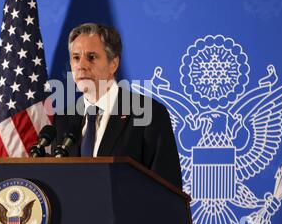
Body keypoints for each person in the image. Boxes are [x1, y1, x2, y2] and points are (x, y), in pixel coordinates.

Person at [52, 23, 183, 189]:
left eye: (91, 57)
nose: (81, 66)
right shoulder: (62, 119)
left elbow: (167, 190)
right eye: (76, 57)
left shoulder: (147, 113)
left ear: (113, 64)